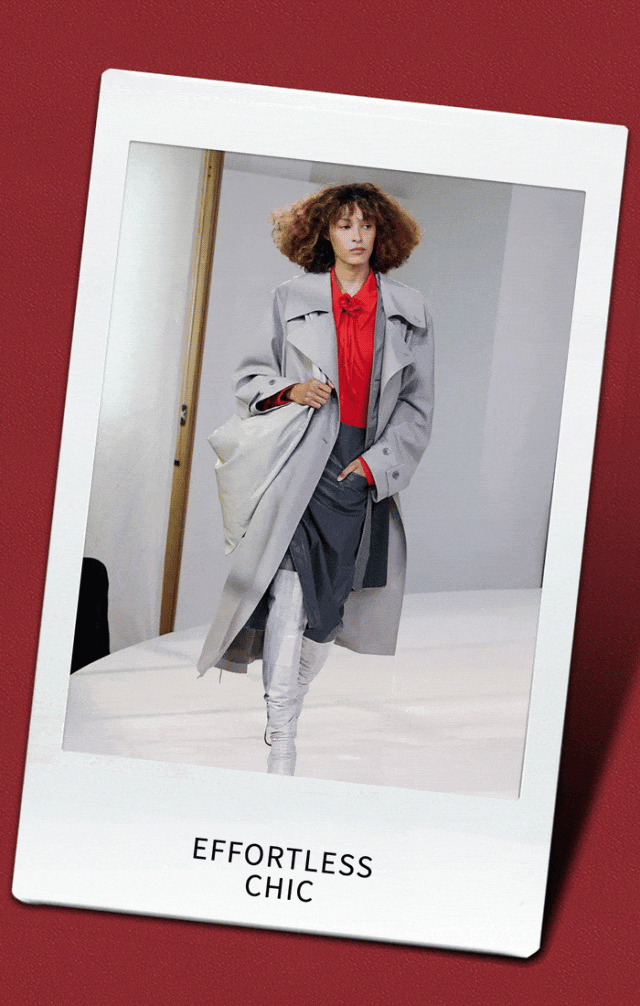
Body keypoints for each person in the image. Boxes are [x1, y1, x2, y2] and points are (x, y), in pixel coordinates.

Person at [198, 182, 434, 776]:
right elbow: (249, 378)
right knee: (288, 594)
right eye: (344, 225)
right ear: (324, 232)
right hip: (300, 462)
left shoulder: (410, 310)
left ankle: (288, 707)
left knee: (326, 615)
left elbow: (417, 407)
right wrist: (292, 389)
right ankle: (283, 739)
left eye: (366, 226)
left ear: (382, 234)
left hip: (359, 471)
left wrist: (374, 467)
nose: (357, 237)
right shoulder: (290, 298)